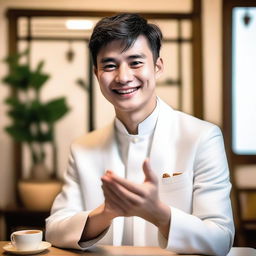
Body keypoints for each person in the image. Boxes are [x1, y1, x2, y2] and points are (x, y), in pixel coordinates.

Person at [45, 13, 234, 255]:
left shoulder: (202, 137)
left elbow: (220, 238)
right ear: (96, 74)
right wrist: (106, 213)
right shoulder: (82, 148)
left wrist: (159, 214)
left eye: (135, 62)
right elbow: (54, 229)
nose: (123, 77)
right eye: (110, 65)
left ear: (157, 67)